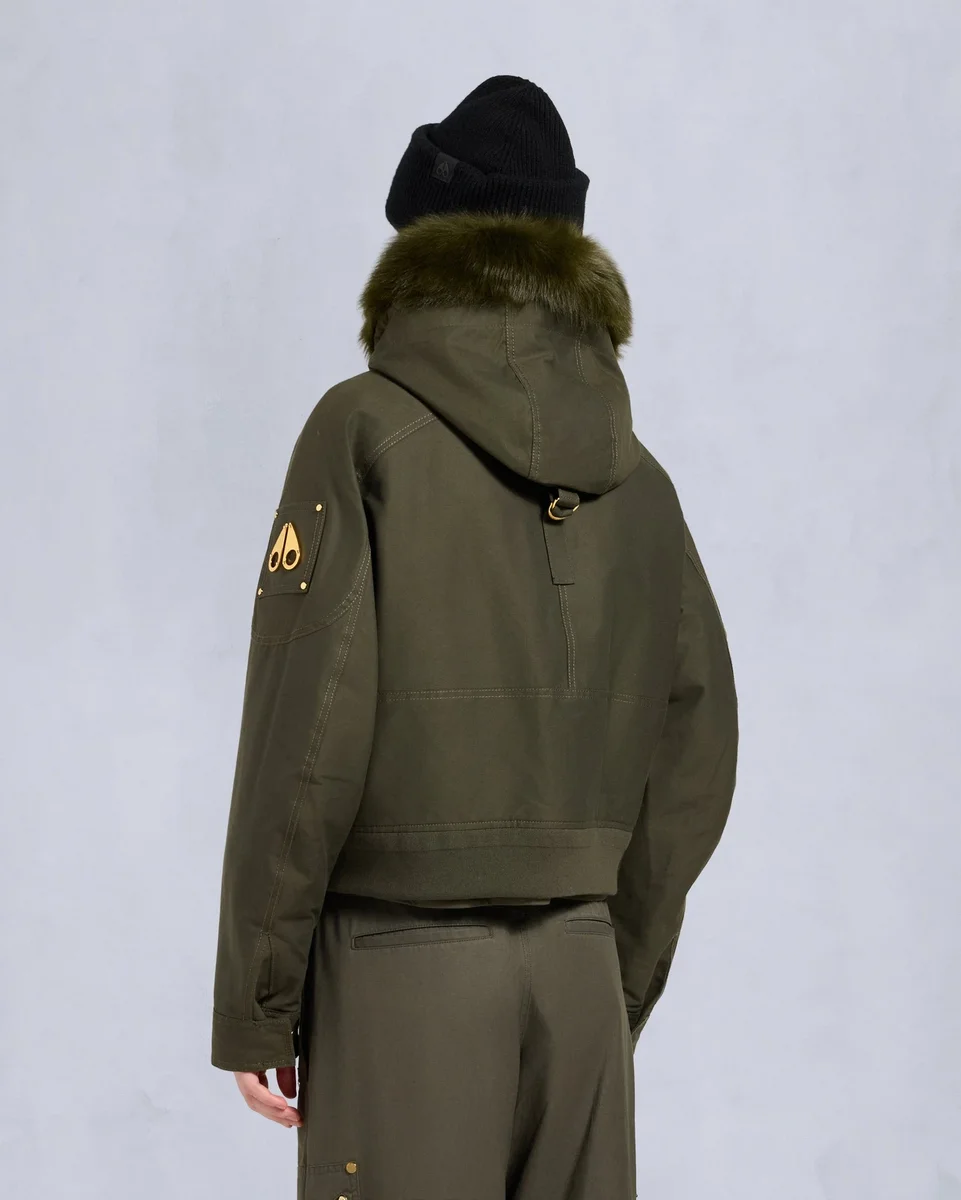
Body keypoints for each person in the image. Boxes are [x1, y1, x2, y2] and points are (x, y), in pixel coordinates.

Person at [210, 74, 739, 1200]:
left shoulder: (361, 429)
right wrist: (611, 967)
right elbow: (695, 749)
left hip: (399, 974)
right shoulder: (641, 483)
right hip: (579, 974)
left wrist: (258, 999)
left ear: (419, 245)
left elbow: (307, 728)